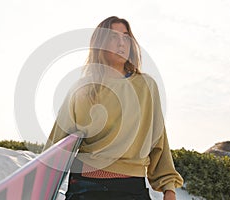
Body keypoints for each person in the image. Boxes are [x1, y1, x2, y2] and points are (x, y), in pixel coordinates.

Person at [43, 16, 183, 200]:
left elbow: (158, 140)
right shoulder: (83, 87)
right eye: (113, 37)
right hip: (86, 186)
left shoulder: (146, 86)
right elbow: (56, 143)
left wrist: (169, 187)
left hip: (131, 187)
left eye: (125, 37)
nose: (121, 43)